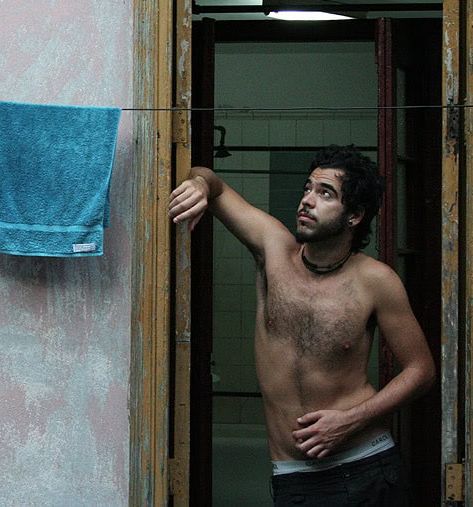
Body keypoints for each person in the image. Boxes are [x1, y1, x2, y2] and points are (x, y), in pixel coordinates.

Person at [168, 144, 435, 506]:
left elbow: (421, 370)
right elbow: (212, 182)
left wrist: (351, 420)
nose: (307, 200)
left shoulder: (376, 281)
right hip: (295, 479)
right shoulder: (273, 247)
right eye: (307, 188)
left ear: (354, 215)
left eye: (325, 193)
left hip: (368, 470)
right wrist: (199, 184)